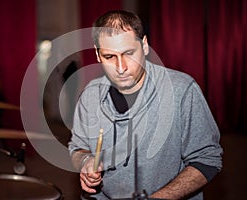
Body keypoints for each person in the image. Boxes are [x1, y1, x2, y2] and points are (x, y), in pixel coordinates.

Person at [68, 10, 222, 200]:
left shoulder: (182, 90)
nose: (121, 67)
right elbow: (77, 147)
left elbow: (207, 160)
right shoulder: (90, 95)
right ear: (98, 55)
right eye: (109, 57)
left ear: (145, 46)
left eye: (129, 53)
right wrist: (86, 160)